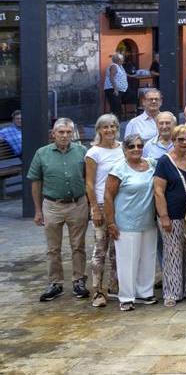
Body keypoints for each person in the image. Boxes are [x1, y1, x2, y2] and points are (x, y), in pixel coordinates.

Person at [28, 118, 90, 302]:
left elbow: (89, 178)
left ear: (73, 134)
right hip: (52, 205)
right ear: (53, 134)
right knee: (53, 248)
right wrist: (37, 210)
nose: (64, 136)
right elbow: (36, 181)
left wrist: (91, 204)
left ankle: (79, 280)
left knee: (78, 245)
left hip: (77, 204)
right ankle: (55, 283)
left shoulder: (82, 151)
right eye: (61, 132)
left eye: (68, 132)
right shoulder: (42, 153)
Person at [102, 136, 158, 311]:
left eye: (140, 146)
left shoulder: (151, 164)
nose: (136, 149)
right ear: (125, 149)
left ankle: (145, 293)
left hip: (149, 221)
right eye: (132, 146)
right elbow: (108, 196)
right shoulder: (118, 169)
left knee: (148, 258)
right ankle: (126, 297)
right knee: (127, 261)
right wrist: (110, 223)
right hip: (126, 223)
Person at [153, 125, 186, 307]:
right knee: (172, 253)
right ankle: (172, 292)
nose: (184, 142)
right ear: (173, 140)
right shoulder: (164, 162)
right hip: (172, 215)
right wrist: (163, 216)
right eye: (180, 139)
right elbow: (158, 191)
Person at [84, 114, 122, 307]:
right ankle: (97, 291)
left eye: (113, 126)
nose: (109, 130)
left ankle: (115, 286)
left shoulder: (123, 148)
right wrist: (94, 209)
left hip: (121, 204)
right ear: (99, 130)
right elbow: (89, 184)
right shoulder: (93, 153)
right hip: (100, 204)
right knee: (100, 249)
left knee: (118, 249)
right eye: (105, 127)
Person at [103, 52, 128, 118]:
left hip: (120, 89)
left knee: (117, 106)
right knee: (115, 107)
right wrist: (115, 89)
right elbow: (111, 77)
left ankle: (117, 119)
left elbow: (122, 75)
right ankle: (115, 120)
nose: (123, 60)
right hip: (112, 89)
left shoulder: (120, 66)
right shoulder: (114, 66)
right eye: (122, 59)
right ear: (118, 60)